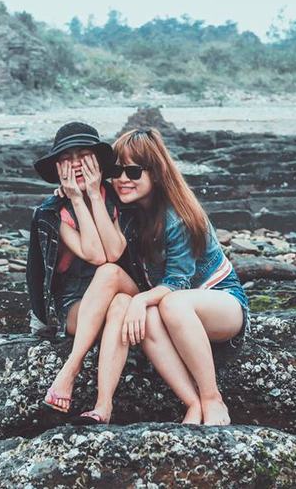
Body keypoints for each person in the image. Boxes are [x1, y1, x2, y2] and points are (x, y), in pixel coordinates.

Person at [73, 127, 251, 426]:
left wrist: (140, 299)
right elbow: (88, 206)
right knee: (148, 314)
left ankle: (212, 399)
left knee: (169, 304)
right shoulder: (125, 208)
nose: (122, 179)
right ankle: (192, 404)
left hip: (220, 302)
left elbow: (178, 284)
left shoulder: (177, 216)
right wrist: (71, 192)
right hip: (168, 307)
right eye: (116, 171)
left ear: (155, 173)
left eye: (133, 171)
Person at [25, 122, 147, 413]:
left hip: (123, 283)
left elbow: (112, 254)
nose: (76, 164)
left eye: (83, 155)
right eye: (67, 158)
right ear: (58, 167)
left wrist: (93, 194)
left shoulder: (117, 198)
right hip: (76, 305)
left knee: (110, 275)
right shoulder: (51, 212)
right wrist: (78, 199)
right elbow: (94, 253)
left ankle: (70, 369)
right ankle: (103, 407)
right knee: (118, 304)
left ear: (98, 161)